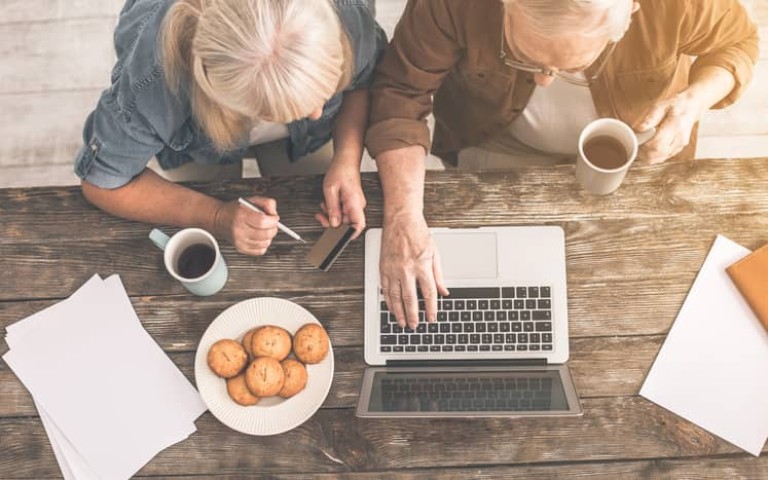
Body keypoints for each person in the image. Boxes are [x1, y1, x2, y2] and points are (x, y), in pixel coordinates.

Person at [364, 0, 759, 328]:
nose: (544, 83)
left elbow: (737, 43)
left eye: (566, 69)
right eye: (522, 59)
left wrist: (693, 102)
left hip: (637, 156)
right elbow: (400, 92)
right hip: (494, 143)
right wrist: (402, 215)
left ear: (629, 16)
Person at [74, 0, 386, 256]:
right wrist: (216, 216)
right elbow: (103, 182)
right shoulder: (156, 82)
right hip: (198, 148)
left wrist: (346, 159)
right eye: (276, 112)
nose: (319, 113)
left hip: (305, 141)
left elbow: (362, 83)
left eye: (328, 91)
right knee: (206, 182)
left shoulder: (347, 14)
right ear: (217, 95)